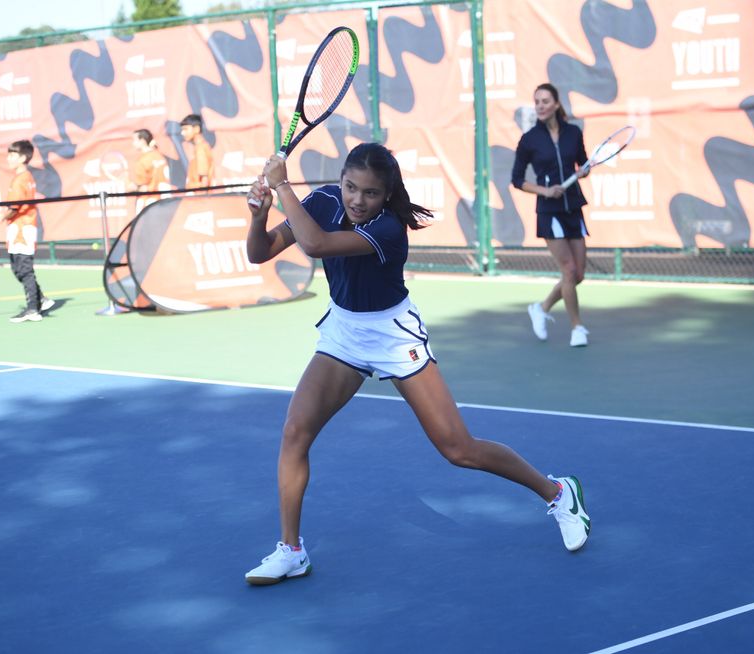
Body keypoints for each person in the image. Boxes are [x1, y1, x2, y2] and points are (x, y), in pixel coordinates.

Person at [243, 143, 590, 585]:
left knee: (458, 449)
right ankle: (291, 551)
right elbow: (261, 251)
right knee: (295, 431)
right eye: (350, 187)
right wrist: (259, 216)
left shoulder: (388, 228)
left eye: (370, 193)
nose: (356, 199)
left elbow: (316, 244)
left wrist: (281, 183)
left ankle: (559, 493)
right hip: (345, 331)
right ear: (341, 181)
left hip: (391, 334)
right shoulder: (323, 201)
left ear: (386, 196)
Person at [511, 82, 591, 347]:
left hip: (574, 207)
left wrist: (584, 171)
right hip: (549, 211)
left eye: (545, 101)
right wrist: (545, 191)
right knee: (568, 270)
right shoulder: (529, 139)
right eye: (537, 102)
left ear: (556, 104)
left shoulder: (573, 133)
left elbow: (583, 163)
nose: (541, 106)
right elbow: (517, 179)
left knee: (578, 275)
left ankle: (541, 308)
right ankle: (577, 328)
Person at [3, 139, 53, 323]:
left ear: (23, 158)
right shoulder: (24, 177)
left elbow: (14, 208)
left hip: (22, 230)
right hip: (20, 228)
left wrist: (0, 217)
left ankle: (33, 309)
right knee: (18, 269)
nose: (8, 158)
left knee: (24, 269)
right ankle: (41, 300)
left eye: (12, 155)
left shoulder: (21, 179)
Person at [179, 114, 213, 190]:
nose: (182, 133)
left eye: (185, 129)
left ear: (196, 129)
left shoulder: (200, 148)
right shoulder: (200, 147)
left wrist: (201, 198)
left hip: (199, 197)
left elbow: (204, 181)